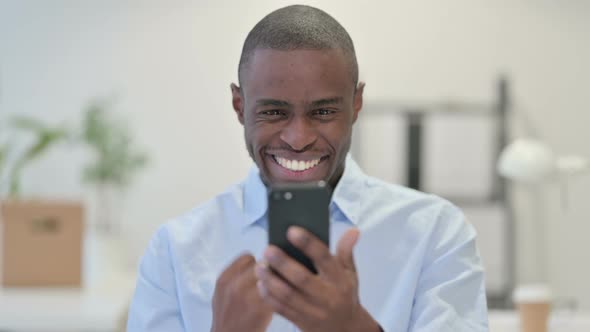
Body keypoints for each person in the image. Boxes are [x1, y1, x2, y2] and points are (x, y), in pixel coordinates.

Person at [127, 4, 488, 332]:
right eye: (273, 112)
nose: (298, 138)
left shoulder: (435, 234)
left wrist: (353, 328)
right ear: (240, 106)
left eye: (323, 112)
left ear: (356, 103)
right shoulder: (176, 250)